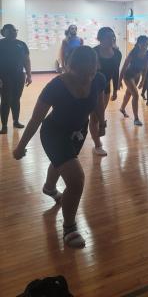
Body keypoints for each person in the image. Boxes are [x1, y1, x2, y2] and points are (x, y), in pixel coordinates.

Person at [13, 46, 106, 248]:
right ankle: (70, 227)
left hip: (78, 132)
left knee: (62, 163)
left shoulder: (98, 79)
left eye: (91, 71)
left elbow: (99, 102)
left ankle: (49, 188)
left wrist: (102, 121)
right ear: (72, 66)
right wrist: (21, 147)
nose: (87, 77)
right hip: (53, 133)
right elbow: (36, 119)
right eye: (83, 72)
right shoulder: (56, 86)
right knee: (76, 179)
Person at [90, 27, 122, 156]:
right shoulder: (93, 52)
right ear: (100, 38)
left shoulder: (117, 54)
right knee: (94, 117)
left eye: (113, 37)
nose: (112, 39)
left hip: (106, 88)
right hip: (91, 89)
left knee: (99, 115)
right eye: (108, 37)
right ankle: (98, 145)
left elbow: (115, 72)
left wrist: (115, 89)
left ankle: (97, 141)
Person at [0, 24, 32, 134]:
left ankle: (16, 121)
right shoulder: (1, 43)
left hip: (19, 76)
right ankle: (4, 125)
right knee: (5, 100)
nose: (15, 32)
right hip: (4, 76)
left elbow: (26, 60)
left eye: (15, 30)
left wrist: (29, 75)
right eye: (12, 30)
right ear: (5, 32)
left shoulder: (21, 44)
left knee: (16, 99)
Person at [119, 35, 148, 126]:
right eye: (143, 43)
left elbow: (145, 68)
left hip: (137, 76)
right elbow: (124, 66)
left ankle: (122, 109)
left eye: (147, 43)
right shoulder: (133, 52)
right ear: (139, 44)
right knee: (135, 95)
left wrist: (143, 80)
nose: (145, 45)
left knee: (129, 93)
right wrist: (119, 80)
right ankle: (136, 118)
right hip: (128, 75)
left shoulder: (147, 54)